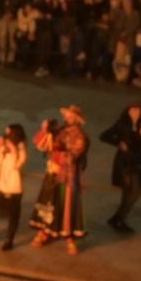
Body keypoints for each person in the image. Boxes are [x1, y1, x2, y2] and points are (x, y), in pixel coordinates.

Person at [30, 105, 91, 255]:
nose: (68, 118)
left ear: (77, 119)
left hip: (67, 176)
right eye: (67, 115)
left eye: (71, 116)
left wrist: (57, 153)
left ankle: (69, 237)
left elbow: (73, 155)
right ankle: (45, 231)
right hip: (52, 173)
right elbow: (40, 144)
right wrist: (45, 130)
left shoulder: (80, 135)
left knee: (66, 206)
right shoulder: (59, 130)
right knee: (48, 202)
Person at [101, 101, 141, 233]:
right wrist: (118, 143)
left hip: (139, 161)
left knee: (132, 191)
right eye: (134, 110)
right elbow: (104, 136)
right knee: (133, 190)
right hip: (126, 162)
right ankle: (118, 218)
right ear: (128, 111)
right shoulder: (121, 124)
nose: (137, 112)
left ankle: (118, 218)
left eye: (139, 110)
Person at [0, 124, 28, 249]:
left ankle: (9, 240)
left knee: (13, 216)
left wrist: (13, 150)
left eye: (8, 133)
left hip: (12, 189)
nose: (5, 135)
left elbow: (16, 166)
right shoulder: (1, 147)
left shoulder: (21, 149)